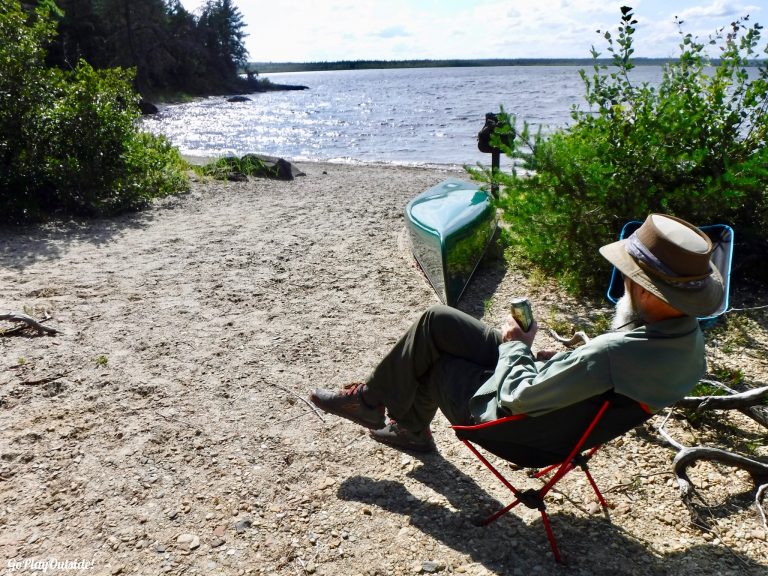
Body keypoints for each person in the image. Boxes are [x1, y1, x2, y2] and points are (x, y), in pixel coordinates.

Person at [310, 213, 724, 453]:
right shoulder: (685, 342)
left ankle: (400, 421)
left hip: (518, 428)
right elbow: (592, 378)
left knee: (435, 361)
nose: (624, 280)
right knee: (439, 320)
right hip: (560, 414)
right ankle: (375, 403)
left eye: (628, 276)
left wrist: (517, 348)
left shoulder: (615, 352)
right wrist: (553, 361)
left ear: (646, 290)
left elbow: (516, 397)